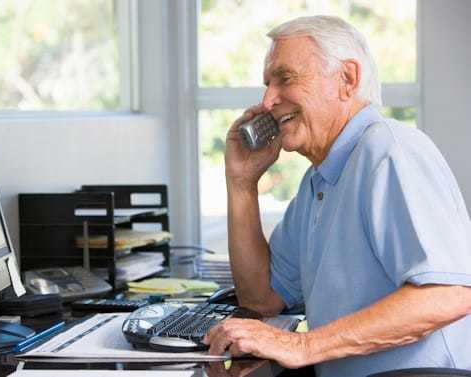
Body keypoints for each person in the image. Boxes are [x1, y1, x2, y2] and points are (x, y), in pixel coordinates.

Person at [202, 15, 471, 377]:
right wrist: (241, 185)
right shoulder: (320, 178)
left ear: (347, 79)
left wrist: (302, 344)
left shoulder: (390, 150)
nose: (267, 101)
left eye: (285, 78)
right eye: (267, 84)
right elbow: (260, 298)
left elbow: (450, 292)